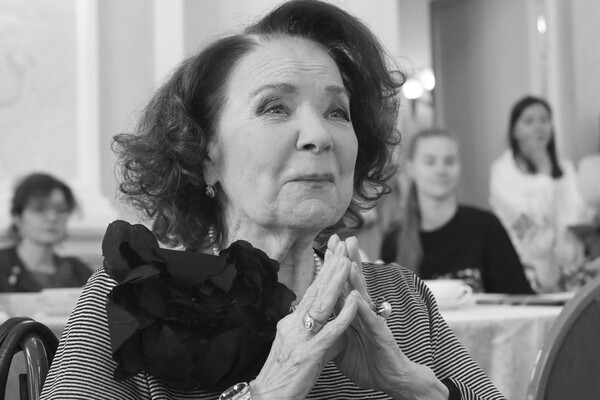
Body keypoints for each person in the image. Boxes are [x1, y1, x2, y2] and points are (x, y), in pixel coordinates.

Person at [42, 2, 504, 399]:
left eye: (337, 111)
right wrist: (267, 390)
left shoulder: (399, 299)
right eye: (274, 108)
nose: (319, 135)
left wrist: (417, 386)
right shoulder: (130, 299)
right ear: (204, 154)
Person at [380, 129, 533, 294]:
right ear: (411, 168)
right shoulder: (393, 241)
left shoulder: (486, 228)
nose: (441, 170)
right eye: (430, 162)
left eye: (450, 161)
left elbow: (520, 298)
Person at [489, 95, 591, 293]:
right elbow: (530, 220)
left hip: (572, 272)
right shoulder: (503, 171)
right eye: (529, 121)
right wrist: (544, 171)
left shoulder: (566, 167)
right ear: (514, 131)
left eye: (544, 120)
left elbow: (579, 212)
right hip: (529, 271)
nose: (538, 127)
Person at [0, 172, 92, 292]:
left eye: (61, 210)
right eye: (39, 209)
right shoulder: (2, 266)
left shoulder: (78, 272)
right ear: (18, 218)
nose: (52, 218)